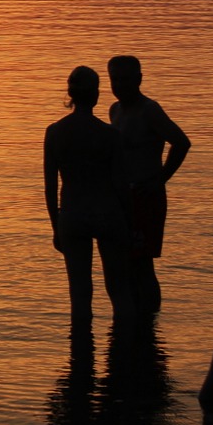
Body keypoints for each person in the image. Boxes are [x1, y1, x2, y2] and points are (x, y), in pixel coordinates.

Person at [45, 66, 136, 326]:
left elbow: (50, 187)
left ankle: (80, 359)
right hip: (108, 212)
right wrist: (130, 224)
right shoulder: (109, 135)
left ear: (70, 94)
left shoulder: (54, 133)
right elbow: (121, 185)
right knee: (119, 291)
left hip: (72, 214)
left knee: (80, 294)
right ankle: (126, 352)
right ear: (96, 95)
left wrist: (56, 227)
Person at [107, 55, 190, 314]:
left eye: (126, 79)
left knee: (143, 265)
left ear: (139, 79)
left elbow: (181, 142)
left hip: (146, 195)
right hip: (123, 198)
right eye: (115, 79)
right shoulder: (115, 110)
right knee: (125, 263)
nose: (120, 85)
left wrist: (160, 179)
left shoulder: (149, 110)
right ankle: (133, 318)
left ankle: (150, 323)